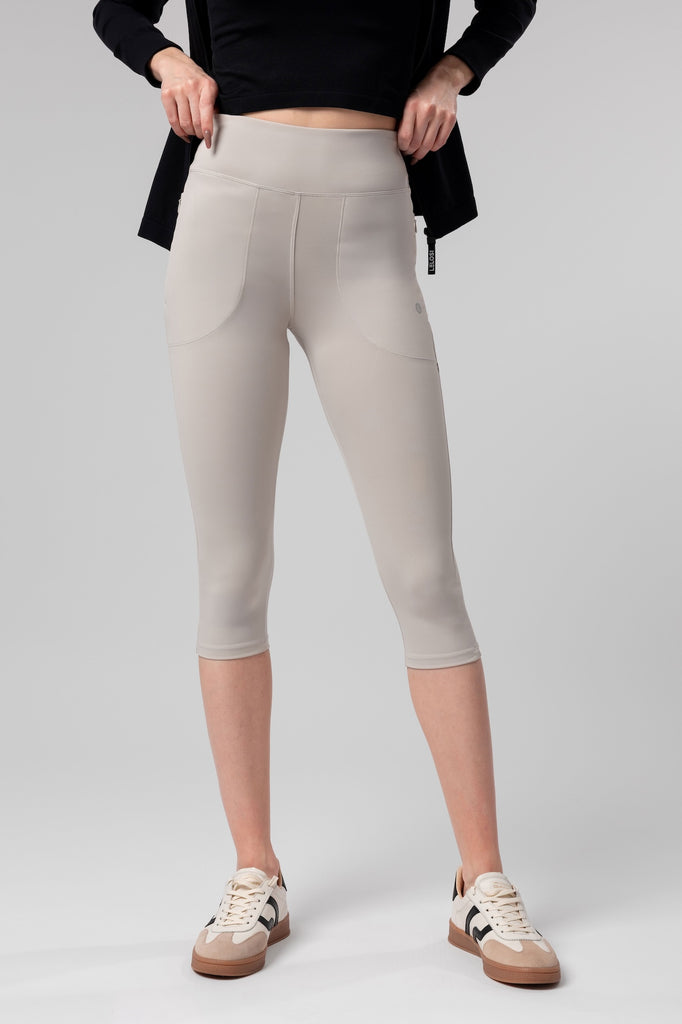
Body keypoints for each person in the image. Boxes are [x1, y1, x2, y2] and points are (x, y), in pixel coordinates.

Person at [92, 0, 560, 987]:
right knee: (232, 570)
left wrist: (451, 73)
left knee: (425, 574)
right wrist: (167, 59)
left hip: (367, 222)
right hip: (227, 210)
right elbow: (115, 9)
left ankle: (481, 881)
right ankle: (253, 870)